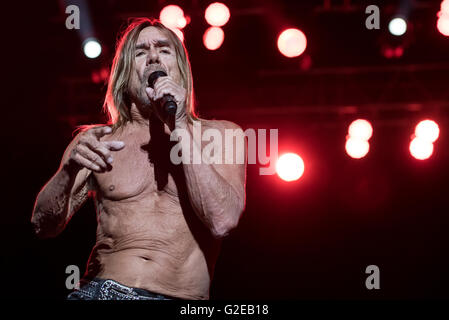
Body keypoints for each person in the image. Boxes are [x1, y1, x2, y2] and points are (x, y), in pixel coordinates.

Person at [31, 18, 246, 300]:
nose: (153, 56)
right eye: (141, 52)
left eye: (164, 50)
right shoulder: (98, 139)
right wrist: (68, 172)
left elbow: (223, 220)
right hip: (100, 291)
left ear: (180, 71)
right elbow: (42, 225)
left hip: (177, 296)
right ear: (124, 72)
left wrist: (180, 125)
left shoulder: (221, 134)